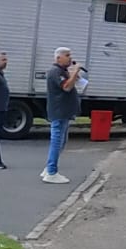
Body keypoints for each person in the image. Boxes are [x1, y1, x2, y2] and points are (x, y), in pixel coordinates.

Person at [43, 47, 82, 184]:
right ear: (58, 58)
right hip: (59, 112)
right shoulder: (55, 71)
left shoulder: (62, 71)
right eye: (67, 55)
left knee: (61, 141)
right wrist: (75, 71)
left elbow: (70, 84)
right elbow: (66, 87)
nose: (70, 58)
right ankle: (51, 172)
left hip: (64, 112)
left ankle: (48, 169)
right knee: (57, 141)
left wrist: (74, 75)